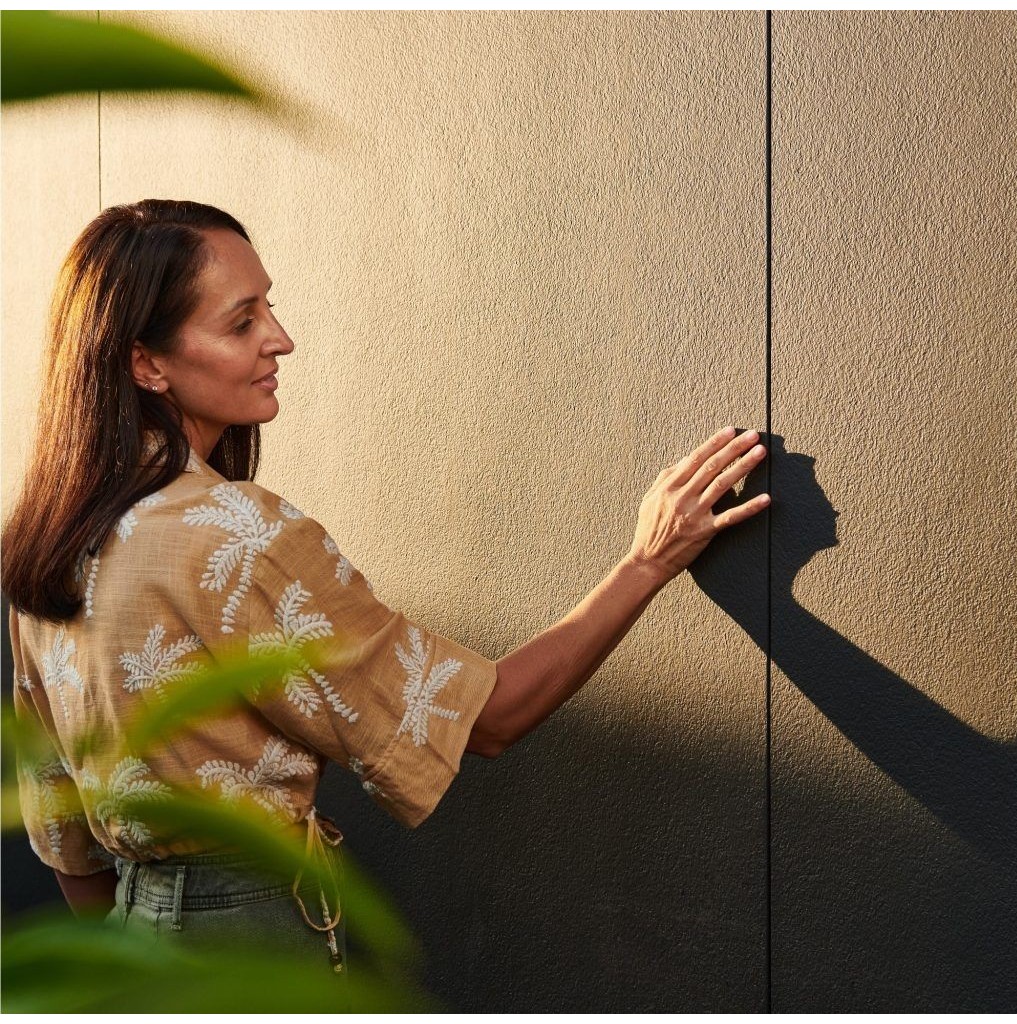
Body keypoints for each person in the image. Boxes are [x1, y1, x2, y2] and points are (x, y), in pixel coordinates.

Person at [2, 199, 770, 974]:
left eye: (269, 306)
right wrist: (648, 561)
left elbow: (64, 836)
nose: (280, 338)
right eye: (241, 322)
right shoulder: (238, 536)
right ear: (147, 364)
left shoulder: (53, 541)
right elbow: (491, 717)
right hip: (251, 949)